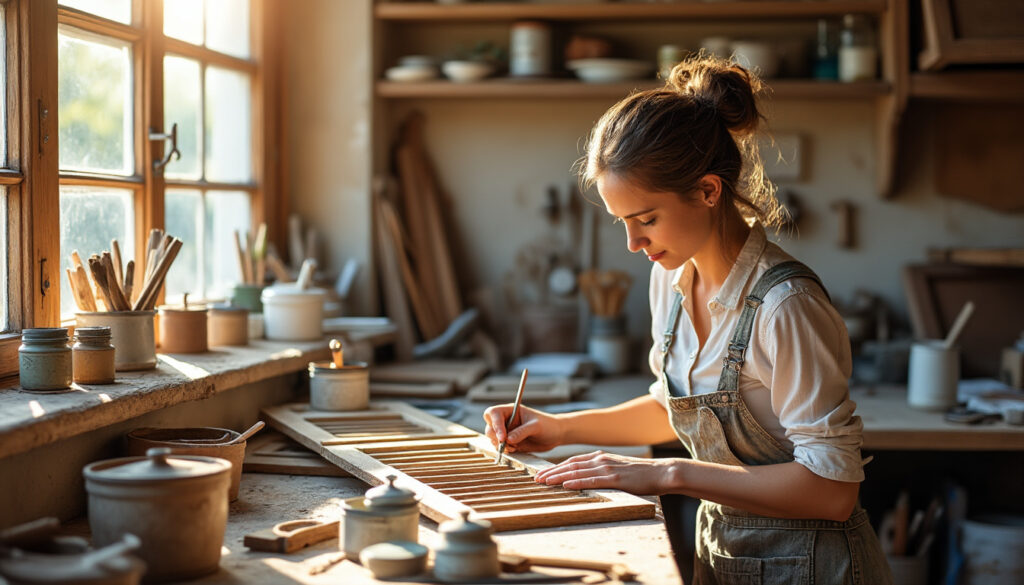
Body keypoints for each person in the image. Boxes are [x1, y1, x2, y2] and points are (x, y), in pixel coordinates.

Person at [484, 55, 893, 585]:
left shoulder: (784, 305)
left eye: (646, 219)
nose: (633, 244)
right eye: (622, 223)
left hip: (814, 564)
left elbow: (832, 491)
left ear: (707, 191)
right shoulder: (671, 277)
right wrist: (560, 428)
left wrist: (668, 473)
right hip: (725, 552)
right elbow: (674, 407)